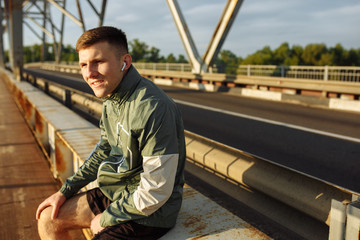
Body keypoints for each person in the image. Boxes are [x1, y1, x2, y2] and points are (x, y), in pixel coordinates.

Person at [36, 26, 186, 240]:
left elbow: (156, 191)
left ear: (125, 61)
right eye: (84, 65)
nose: (89, 73)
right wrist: (65, 190)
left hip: (149, 212)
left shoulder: (153, 107)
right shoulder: (111, 97)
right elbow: (105, 150)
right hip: (118, 190)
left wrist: (107, 218)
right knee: (48, 218)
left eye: (98, 62)